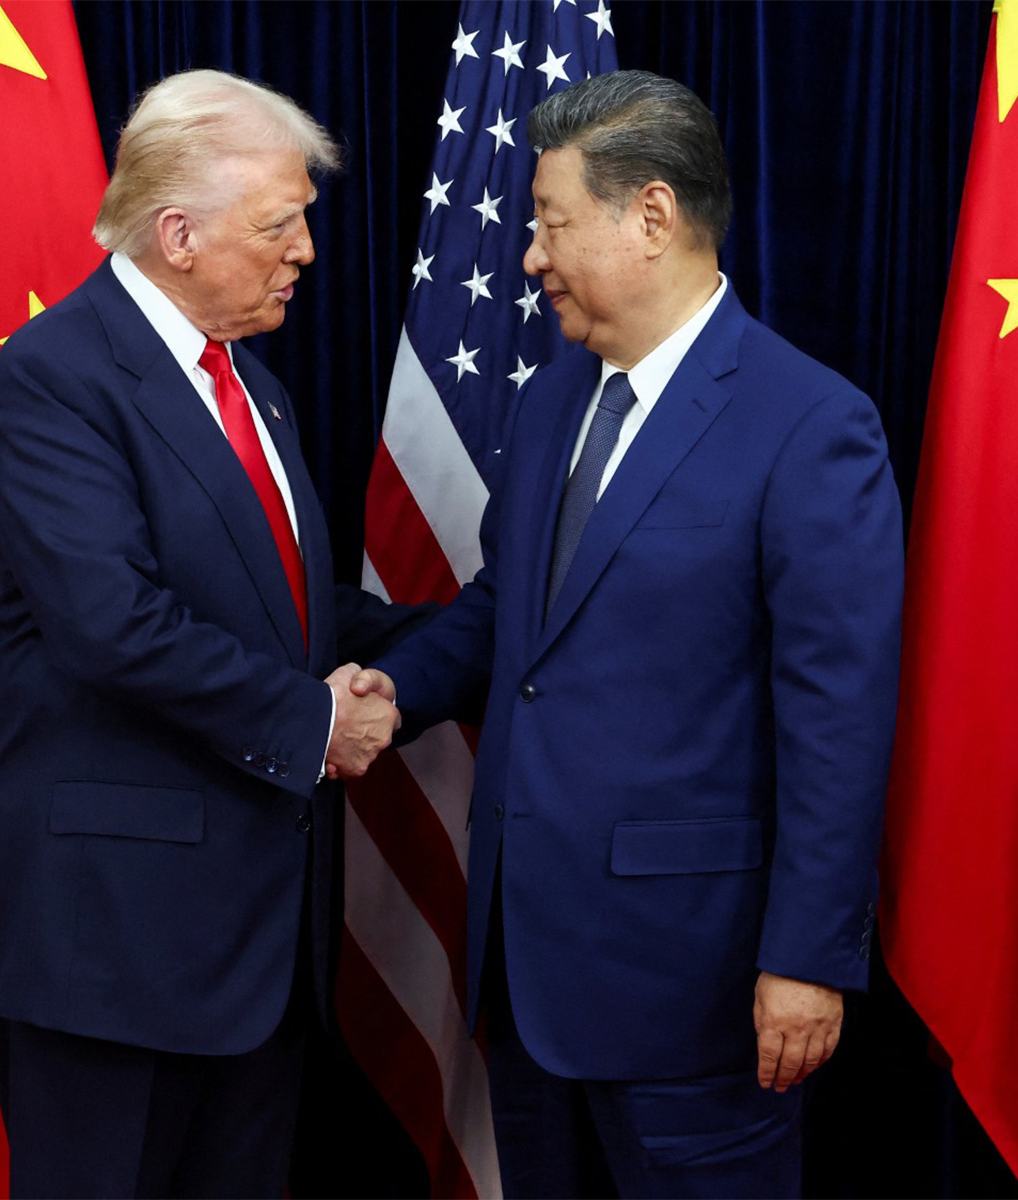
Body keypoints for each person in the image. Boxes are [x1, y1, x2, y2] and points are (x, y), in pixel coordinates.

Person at [354, 71, 903, 1198]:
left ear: (648, 217)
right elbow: (513, 617)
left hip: (696, 990)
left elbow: (837, 724)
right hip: (524, 970)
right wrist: (393, 694)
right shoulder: (554, 397)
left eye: (550, 221)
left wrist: (805, 959)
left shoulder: (811, 425)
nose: (531, 257)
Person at [0, 69, 423, 1198]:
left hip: (252, 947)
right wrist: (317, 723)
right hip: (106, 944)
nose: (305, 247)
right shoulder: (55, 376)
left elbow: (294, 617)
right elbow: (114, 623)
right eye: (280, 222)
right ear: (178, 233)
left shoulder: (251, 383)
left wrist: (487, 641)